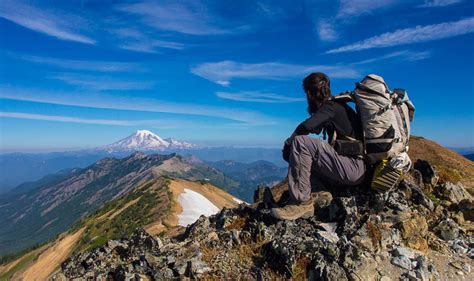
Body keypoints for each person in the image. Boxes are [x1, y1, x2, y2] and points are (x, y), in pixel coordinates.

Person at [271, 72, 366, 220]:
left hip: (353, 168)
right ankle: (321, 192)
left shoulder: (330, 106)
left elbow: (307, 126)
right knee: (308, 155)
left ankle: (301, 203)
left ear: (309, 92)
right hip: (356, 169)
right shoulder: (338, 106)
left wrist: (289, 142)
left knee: (301, 143)